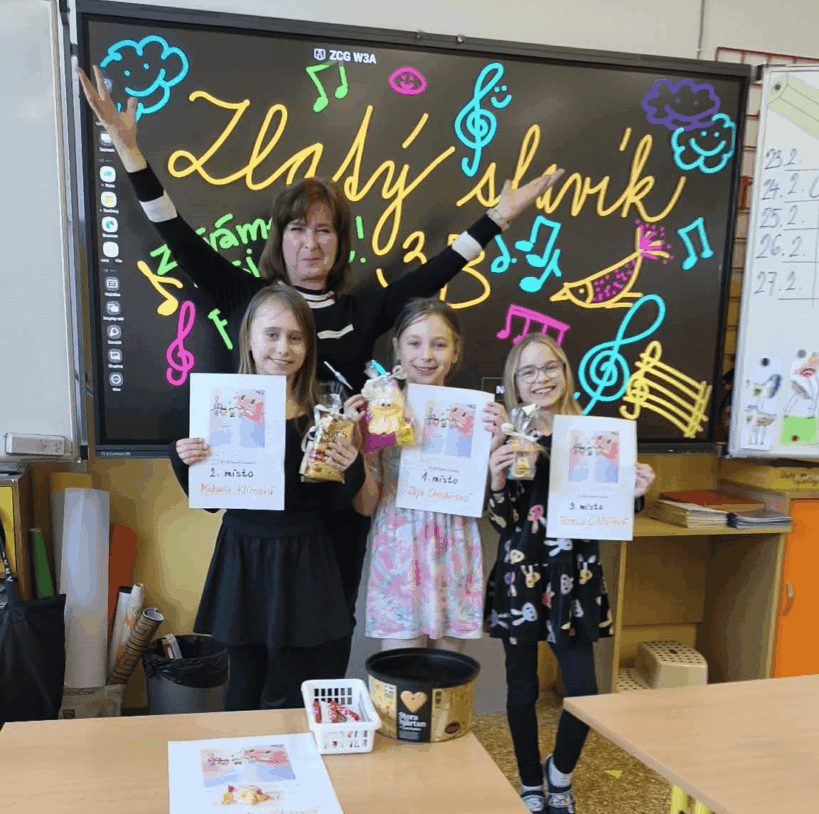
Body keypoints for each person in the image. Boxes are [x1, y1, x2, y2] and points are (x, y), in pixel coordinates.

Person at [77, 63, 564, 672]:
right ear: (279, 237)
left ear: (340, 242)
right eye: (299, 229)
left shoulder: (362, 310)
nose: (312, 243)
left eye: (326, 231)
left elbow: (435, 273)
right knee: (252, 650)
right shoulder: (248, 297)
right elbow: (174, 233)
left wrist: (499, 216)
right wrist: (127, 148)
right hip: (260, 512)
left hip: (337, 499)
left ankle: (316, 721)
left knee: (328, 635)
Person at [170, 283, 366, 710]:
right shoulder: (220, 406)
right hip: (243, 554)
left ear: (308, 347)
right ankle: (242, 752)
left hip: (304, 557)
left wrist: (351, 468)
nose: (283, 348)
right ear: (249, 339)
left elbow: (333, 505)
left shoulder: (323, 416)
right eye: (272, 334)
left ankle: (295, 752)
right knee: (243, 681)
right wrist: (183, 459)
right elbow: (211, 500)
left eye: (296, 337)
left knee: (295, 684)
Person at [485, 333, 655, 814]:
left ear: (565, 371)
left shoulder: (595, 435)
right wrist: (496, 478)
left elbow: (611, 514)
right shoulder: (510, 436)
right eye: (528, 371)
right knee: (521, 689)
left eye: (550, 367)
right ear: (514, 383)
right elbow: (502, 522)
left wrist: (635, 493)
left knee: (584, 691)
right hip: (520, 575)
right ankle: (529, 782)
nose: (541, 379)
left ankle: (558, 774)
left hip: (574, 577)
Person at [351, 298, 505, 653]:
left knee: (448, 678)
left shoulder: (478, 414)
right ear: (397, 348)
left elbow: (486, 501)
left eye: (439, 344)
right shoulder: (382, 412)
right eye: (414, 343)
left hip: (456, 550)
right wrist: (359, 447)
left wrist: (496, 446)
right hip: (399, 555)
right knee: (398, 677)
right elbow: (365, 506)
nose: (426, 356)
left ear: (455, 351)